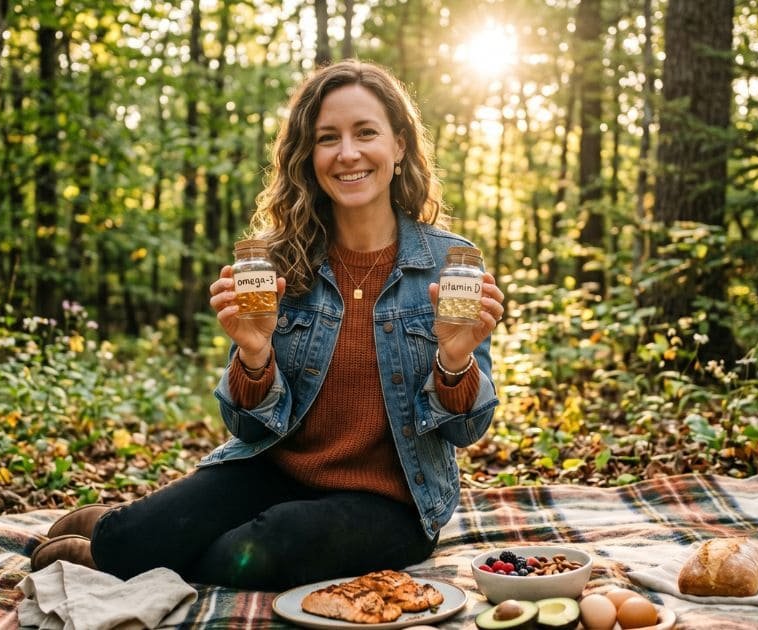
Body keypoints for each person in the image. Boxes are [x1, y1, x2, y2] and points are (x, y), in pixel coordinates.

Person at [29, 59, 505, 591]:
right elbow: (248, 429)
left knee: (263, 549)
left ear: (398, 146)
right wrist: (253, 356)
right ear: (309, 157)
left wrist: (455, 362)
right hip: (273, 472)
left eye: (365, 133)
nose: (347, 153)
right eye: (328, 138)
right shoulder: (279, 263)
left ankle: (130, 544)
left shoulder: (453, 265)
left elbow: (467, 430)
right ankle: (125, 535)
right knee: (153, 532)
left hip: (393, 502)